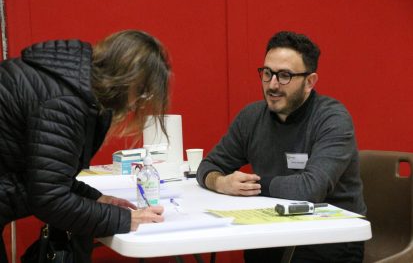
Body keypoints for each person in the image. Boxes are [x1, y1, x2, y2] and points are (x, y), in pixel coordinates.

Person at [0, 30, 170, 262]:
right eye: (143, 92)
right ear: (127, 80)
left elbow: (46, 174)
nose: (138, 103)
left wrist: (95, 199)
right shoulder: (65, 102)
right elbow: (50, 199)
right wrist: (125, 219)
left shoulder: (67, 84)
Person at [196, 31, 366, 263]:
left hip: (328, 237)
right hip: (270, 233)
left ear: (309, 82)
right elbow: (209, 165)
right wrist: (221, 182)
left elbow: (309, 190)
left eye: (284, 75)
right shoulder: (251, 117)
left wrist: (251, 184)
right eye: (267, 73)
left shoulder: (332, 119)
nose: (272, 85)